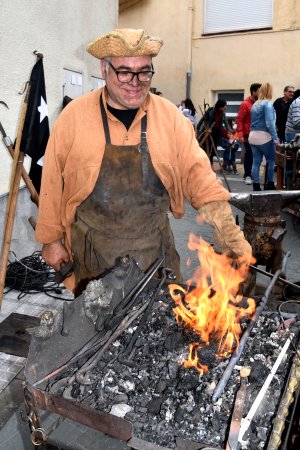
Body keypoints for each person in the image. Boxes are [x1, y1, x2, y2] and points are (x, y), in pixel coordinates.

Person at [35, 28, 252, 295]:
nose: (135, 81)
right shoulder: (73, 118)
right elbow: (52, 183)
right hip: (93, 257)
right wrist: (51, 241)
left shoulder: (170, 118)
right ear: (104, 69)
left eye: (144, 71)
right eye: (124, 71)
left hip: (154, 256)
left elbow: (200, 179)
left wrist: (229, 233)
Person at [248, 83, 279, 191]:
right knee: (271, 160)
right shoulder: (268, 104)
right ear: (269, 91)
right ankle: (270, 184)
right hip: (264, 136)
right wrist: (275, 138)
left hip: (252, 136)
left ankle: (256, 186)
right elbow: (269, 123)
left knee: (256, 162)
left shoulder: (255, 104)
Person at [236, 83, 261, 185]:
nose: (261, 93)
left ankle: (252, 174)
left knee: (256, 156)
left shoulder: (260, 103)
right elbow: (239, 119)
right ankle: (247, 175)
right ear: (254, 91)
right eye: (259, 90)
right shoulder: (245, 104)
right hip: (248, 135)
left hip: (258, 134)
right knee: (250, 154)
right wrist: (240, 134)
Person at [196, 99, 232, 164]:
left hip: (216, 134)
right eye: (224, 106)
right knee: (206, 149)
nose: (225, 107)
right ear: (220, 106)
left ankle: (210, 162)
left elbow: (226, 123)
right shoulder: (211, 111)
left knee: (213, 149)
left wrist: (229, 131)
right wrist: (198, 129)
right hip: (208, 133)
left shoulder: (222, 113)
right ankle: (205, 163)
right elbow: (202, 120)